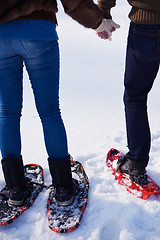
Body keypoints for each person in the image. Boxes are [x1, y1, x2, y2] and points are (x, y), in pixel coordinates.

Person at [0, 0, 117, 207]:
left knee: (7, 113)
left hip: (2, 37)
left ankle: (15, 188)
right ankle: (63, 188)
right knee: (49, 111)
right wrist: (99, 23)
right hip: (39, 32)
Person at [97, 0, 160, 185]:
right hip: (145, 24)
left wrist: (104, 11)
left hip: (146, 25)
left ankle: (136, 163)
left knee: (135, 96)